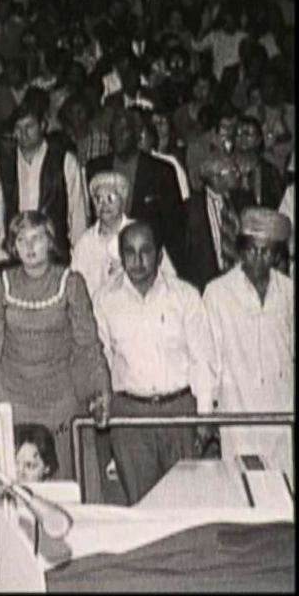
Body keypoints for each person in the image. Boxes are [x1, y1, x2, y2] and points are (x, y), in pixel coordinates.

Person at [0, 211, 110, 480]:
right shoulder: (0, 284)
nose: (29, 246)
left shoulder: (71, 283)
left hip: (60, 401)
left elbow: (87, 345)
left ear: (50, 242)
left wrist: (99, 391)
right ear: (13, 247)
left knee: (64, 480)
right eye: (21, 239)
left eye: (36, 238)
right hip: (12, 398)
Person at [93, 221, 217, 505]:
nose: (137, 261)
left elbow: (203, 357)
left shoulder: (185, 296)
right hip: (131, 417)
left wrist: (205, 415)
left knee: (187, 504)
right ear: (121, 256)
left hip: (180, 413)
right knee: (144, 506)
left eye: (145, 251)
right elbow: (102, 361)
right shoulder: (104, 300)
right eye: (130, 252)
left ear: (160, 255)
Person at [204, 208, 293, 485]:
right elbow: (209, 361)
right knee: (244, 491)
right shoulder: (218, 293)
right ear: (241, 250)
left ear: (277, 255)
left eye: (267, 251)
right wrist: (208, 414)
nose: (259, 258)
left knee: (283, 491)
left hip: (282, 410)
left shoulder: (289, 291)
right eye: (253, 250)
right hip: (239, 411)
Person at [0, 91, 89, 268]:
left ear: (43, 126)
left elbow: (78, 212)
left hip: (54, 254)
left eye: (29, 126)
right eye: (18, 128)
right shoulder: (2, 165)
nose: (23, 133)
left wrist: (79, 256)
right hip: (16, 255)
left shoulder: (64, 160)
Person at [86, 108, 185, 271]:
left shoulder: (161, 171)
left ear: (137, 133)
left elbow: (174, 228)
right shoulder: (96, 168)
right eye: (114, 130)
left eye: (124, 130)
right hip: (105, 260)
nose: (118, 136)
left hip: (147, 260)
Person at [72, 171, 176, 300]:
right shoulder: (84, 243)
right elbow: (75, 288)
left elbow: (170, 278)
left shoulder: (141, 233)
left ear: (123, 201)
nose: (103, 204)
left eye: (110, 198)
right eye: (98, 199)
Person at [182, 152, 256, 293]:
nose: (238, 174)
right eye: (232, 171)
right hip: (207, 287)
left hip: (242, 284)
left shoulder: (246, 201)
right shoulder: (190, 208)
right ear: (215, 177)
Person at [234, 115, 284, 207]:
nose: (243, 138)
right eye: (239, 134)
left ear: (259, 139)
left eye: (248, 134)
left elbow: (280, 203)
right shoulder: (226, 168)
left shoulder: (269, 171)